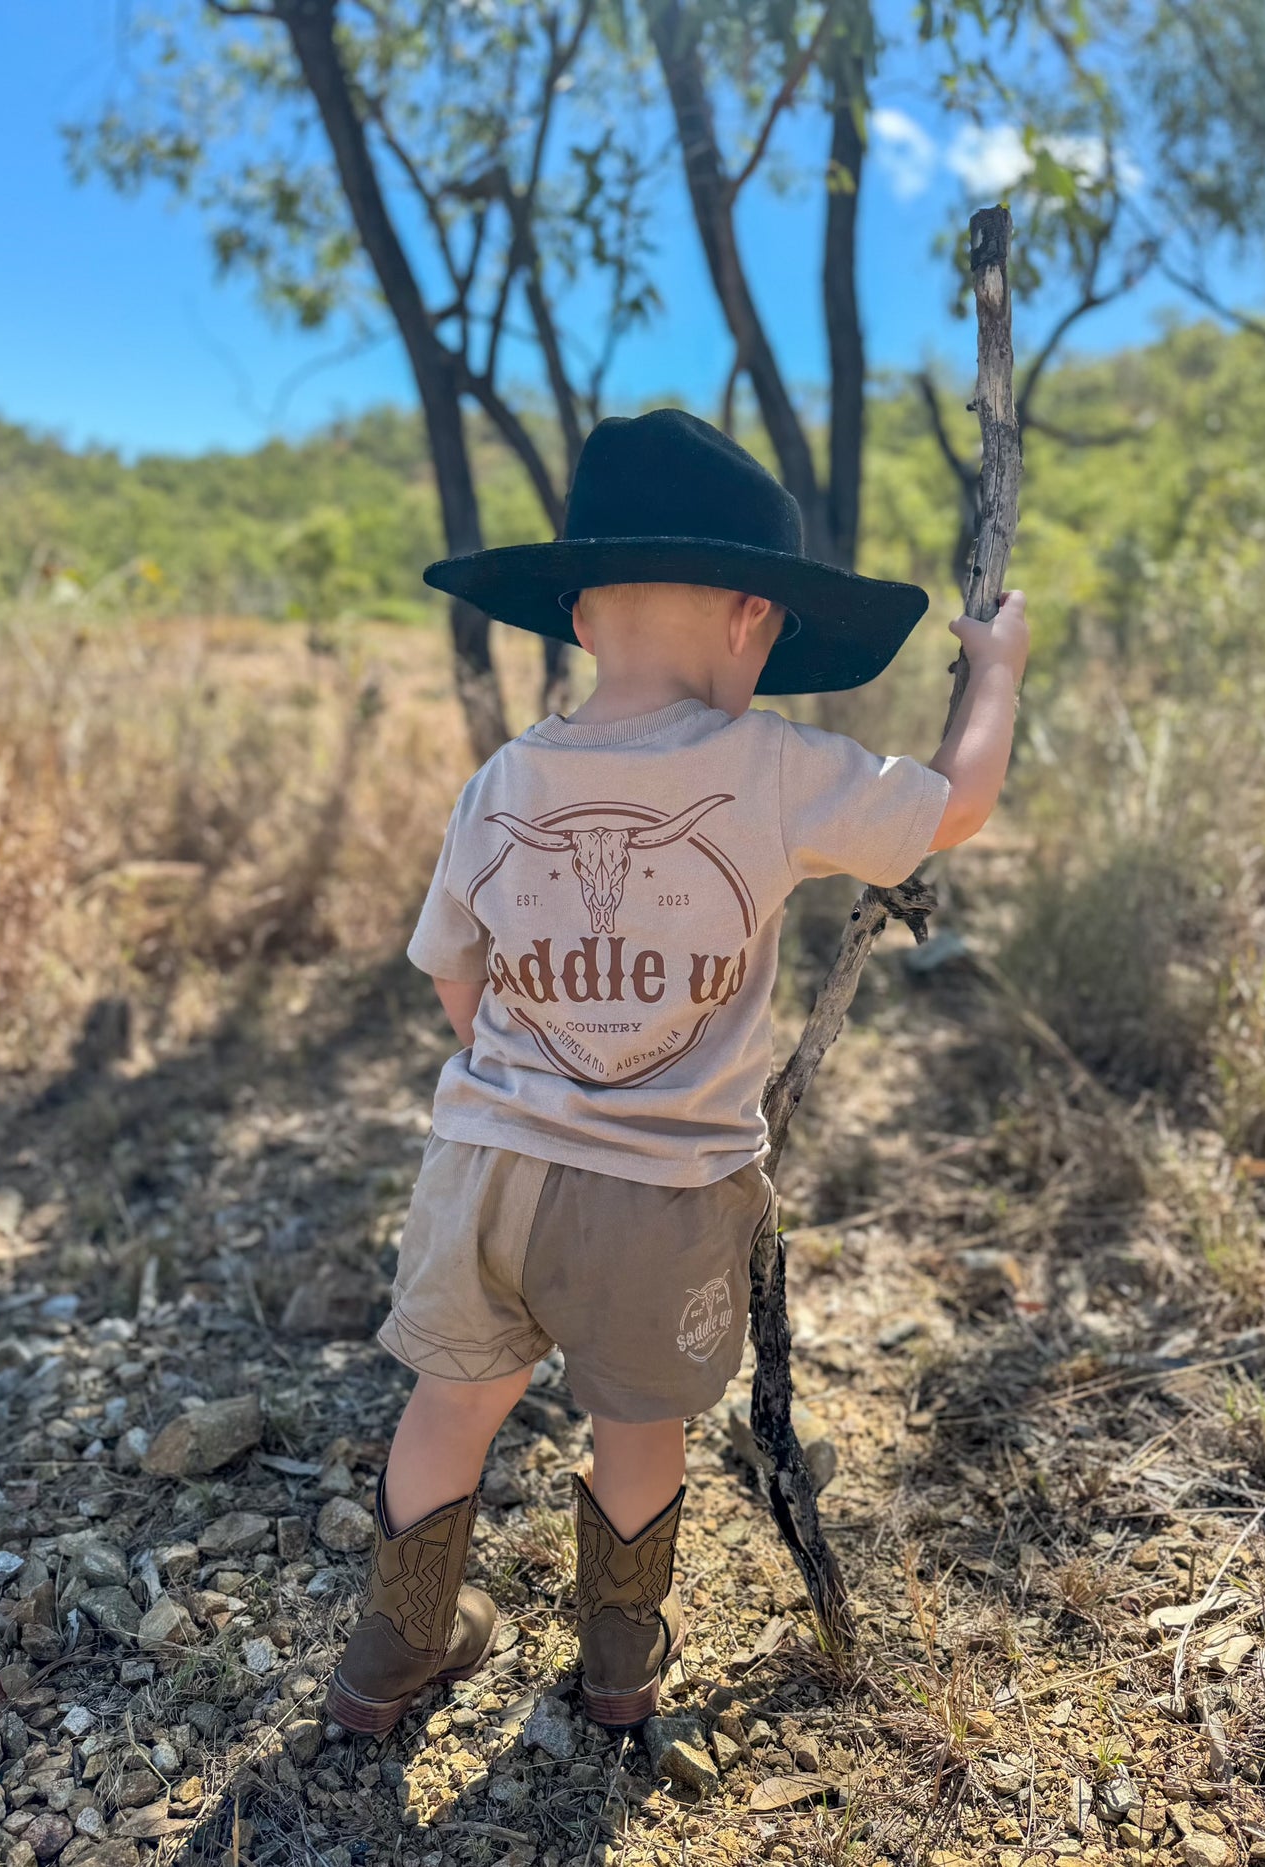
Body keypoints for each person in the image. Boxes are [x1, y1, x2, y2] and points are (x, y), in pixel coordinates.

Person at [324, 408, 1029, 1736]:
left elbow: (448, 969)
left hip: (488, 1173)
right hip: (664, 1193)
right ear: (756, 621)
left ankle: (392, 1656)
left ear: (580, 620)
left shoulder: (506, 777)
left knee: (452, 1405)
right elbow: (957, 804)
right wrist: (995, 667)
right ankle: (620, 1670)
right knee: (637, 1429)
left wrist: (506, 1063)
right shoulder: (769, 768)